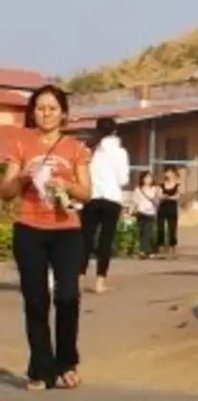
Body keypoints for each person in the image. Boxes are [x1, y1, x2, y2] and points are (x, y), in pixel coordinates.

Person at [0, 84, 92, 390]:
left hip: (67, 231)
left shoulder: (75, 149)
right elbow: (6, 192)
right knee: (36, 300)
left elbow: (87, 192)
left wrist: (64, 185)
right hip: (29, 229)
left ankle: (66, 362)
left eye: (52, 108)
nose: (46, 113)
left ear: (63, 113)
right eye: (40, 108)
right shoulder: (20, 143)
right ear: (32, 113)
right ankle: (41, 368)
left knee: (67, 296)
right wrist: (25, 175)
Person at [80, 118, 130, 292]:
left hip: (91, 198)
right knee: (105, 240)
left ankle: (79, 278)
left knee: (85, 238)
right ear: (115, 131)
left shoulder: (92, 149)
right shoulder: (120, 152)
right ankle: (100, 282)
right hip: (111, 198)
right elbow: (123, 179)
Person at [132, 171, 160, 258]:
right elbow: (135, 202)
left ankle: (146, 251)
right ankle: (144, 250)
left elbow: (158, 201)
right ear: (142, 179)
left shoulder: (155, 189)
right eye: (146, 178)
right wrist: (132, 210)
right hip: (141, 212)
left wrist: (156, 200)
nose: (148, 179)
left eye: (150, 178)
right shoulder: (138, 189)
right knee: (142, 232)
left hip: (150, 213)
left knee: (149, 232)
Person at [156, 166, 181, 256]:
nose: (168, 174)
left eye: (170, 172)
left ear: (174, 174)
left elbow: (177, 197)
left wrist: (168, 197)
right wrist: (163, 197)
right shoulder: (161, 185)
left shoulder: (177, 185)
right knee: (160, 227)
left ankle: (172, 247)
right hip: (162, 208)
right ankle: (160, 246)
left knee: (172, 228)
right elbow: (158, 195)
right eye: (167, 172)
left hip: (172, 209)